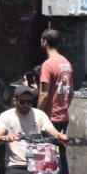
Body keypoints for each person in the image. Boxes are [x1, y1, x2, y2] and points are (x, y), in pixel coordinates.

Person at [0, 86, 68, 174]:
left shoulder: (39, 114)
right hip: (17, 164)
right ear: (14, 101)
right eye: (22, 102)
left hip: (39, 163)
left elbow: (50, 129)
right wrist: (5, 137)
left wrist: (59, 135)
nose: (26, 105)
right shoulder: (6, 116)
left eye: (29, 102)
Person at [39, 29, 73, 174]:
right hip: (63, 117)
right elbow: (71, 92)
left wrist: (38, 115)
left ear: (45, 42)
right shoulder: (66, 63)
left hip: (50, 118)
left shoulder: (48, 65)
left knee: (48, 157)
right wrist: (63, 107)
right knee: (60, 154)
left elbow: (44, 94)